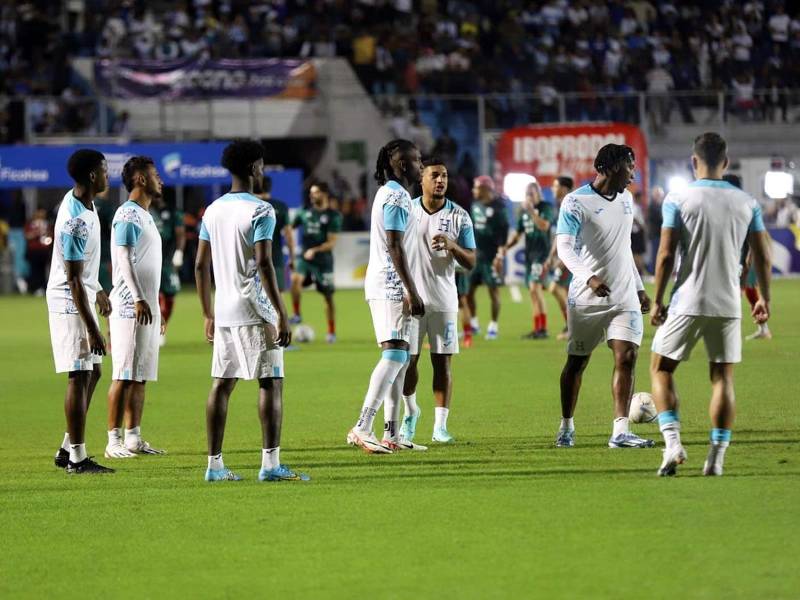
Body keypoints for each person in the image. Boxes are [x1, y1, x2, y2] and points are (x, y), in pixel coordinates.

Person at [650, 133, 771, 476]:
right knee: (722, 377)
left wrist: (657, 300)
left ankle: (672, 444)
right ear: (727, 162)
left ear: (693, 161)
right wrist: (764, 297)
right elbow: (762, 255)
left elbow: (665, 254)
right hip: (728, 302)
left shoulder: (678, 198)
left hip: (687, 299)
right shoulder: (747, 202)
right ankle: (716, 459)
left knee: (661, 369)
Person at [195, 139, 308, 482]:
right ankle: (270, 465)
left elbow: (201, 266)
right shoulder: (261, 210)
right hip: (256, 308)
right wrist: (282, 313)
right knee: (271, 382)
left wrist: (207, 313)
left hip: (225, 309)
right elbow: (264, 263)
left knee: (221, 384)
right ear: (255, 167)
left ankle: (214, 466)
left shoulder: (212, 210)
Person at [554, 144, 654, 449]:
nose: (633, 172)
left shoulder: (627, 199)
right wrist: (589, 277)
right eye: (629, 166)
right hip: (587, 298)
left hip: (623, 295)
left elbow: (623, 248)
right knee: (576, 363)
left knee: (628, 356)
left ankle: (620, 431)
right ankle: (567, 426)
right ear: (610, 168)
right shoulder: (575, 202)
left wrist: (638, 287)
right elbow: (565, 248)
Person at [347, 139, 424, 454]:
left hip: (390, 284)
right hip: (391, 286)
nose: (421, 165)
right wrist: (410, 288)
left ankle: (391, 433)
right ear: (403, 165)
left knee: (401, 358)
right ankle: (363, 426)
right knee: (394, 355)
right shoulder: (395, 197)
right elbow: (394, 245)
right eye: (417, 160)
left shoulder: (393, 194)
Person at [46, 149, 114, 474]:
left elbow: (83, 269)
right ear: (91, 175)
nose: (107, 176)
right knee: (79, 373)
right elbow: (72, 277)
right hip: (68, 299)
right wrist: (92, 328)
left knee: (94, 372)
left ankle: (66, 446)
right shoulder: (75, 219)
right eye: (104, 171)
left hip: (83, 294)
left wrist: (98, 287)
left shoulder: (85, 204)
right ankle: (77, 457)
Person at [400, 157, 476, 446]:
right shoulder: (407, 211)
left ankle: (440, 427)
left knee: (442, 364)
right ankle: (410, 413)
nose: (440, 180)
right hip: (411, 300)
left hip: (444, 300)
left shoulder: (460, 216)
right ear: (422, 178)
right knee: (408, 362)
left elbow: (470, 262)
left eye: (444, 175)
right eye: (435, 175)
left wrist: (452, 245)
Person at [105, 156, 167, 459]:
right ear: (141, 179)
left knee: (141, 374)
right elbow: (124, 257)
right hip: (131, 307)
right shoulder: (127, 214)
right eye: (155, 174)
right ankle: (112, 440)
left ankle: (133, 437)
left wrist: (155, 305)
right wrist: (140, 298)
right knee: (123, 374)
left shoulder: (145, 215)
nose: (161, 179)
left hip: (146, 306)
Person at [497, 181, 555, 339]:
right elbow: (518, 235)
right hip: (530, 256)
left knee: (535, 289)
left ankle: (543, 329)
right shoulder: (524, 213)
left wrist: (532, 212)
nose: (529, 196)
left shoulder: (546, 208)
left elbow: (544, 226)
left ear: (538, 193)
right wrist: (506, 248)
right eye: (527, 194)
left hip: (542, 255)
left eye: (532, 193)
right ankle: (538, 329)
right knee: (532, 292)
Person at [289, 182, 342, 343]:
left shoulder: (333, 216)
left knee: (328, 297)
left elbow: (332, 242)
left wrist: (315, 250)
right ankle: (297, 314)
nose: (312, 195)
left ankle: (331, 331)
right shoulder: (304, 212)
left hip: (323, 261)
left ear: (325, 194)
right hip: (304, 257)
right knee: (295, 280)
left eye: (316, 192)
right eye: (311, 192)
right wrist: (292, 253)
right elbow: (289, 228)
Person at [724, 174, 772, 341]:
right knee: (748, 290)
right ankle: (763, 328)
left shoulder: (744, 206)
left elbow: (755, 236)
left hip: (747, 257)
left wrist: (749, 258)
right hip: (741, 256)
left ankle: (731, 331)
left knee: (737, 290)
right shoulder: (739, 205)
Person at [467, 175, 509, 340]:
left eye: (476, 187)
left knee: (494, 292)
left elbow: (504, 234)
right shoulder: (475, 205)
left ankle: (493, 326)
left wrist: (500, 256)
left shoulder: (499, 207)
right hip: (475, 256)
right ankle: (474, 323)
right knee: (468, 292)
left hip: (492, 258)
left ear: (484, 189)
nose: (473, 190)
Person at [149, 193, 185, 347]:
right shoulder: (145, 211)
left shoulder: (172, 211)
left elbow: (180, 234)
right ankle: (154, 329)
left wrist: (179, 253)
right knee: (153, 295)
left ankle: (163, 327)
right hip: (150, 260)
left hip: (167, 261)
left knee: (170, 294)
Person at [545, 176, 574, 341]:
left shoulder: (570, 204)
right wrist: (551, 256)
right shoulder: (562, 204)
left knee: (555, 288)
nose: (552, 189)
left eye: (555, 186)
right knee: (570, 293)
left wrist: (563, 259)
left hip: (574, 256)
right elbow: (559, 234)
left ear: (564, 188)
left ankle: (572, 327)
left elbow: (574, 235)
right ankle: (575, 327)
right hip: (568, 256)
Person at [256, 175, 294, 296]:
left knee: (256, 298)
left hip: (253, 260)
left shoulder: (249, 205)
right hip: (275, 259)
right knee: (278, 297)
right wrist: (292, 258)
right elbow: (289, 236)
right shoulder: (280, 206)